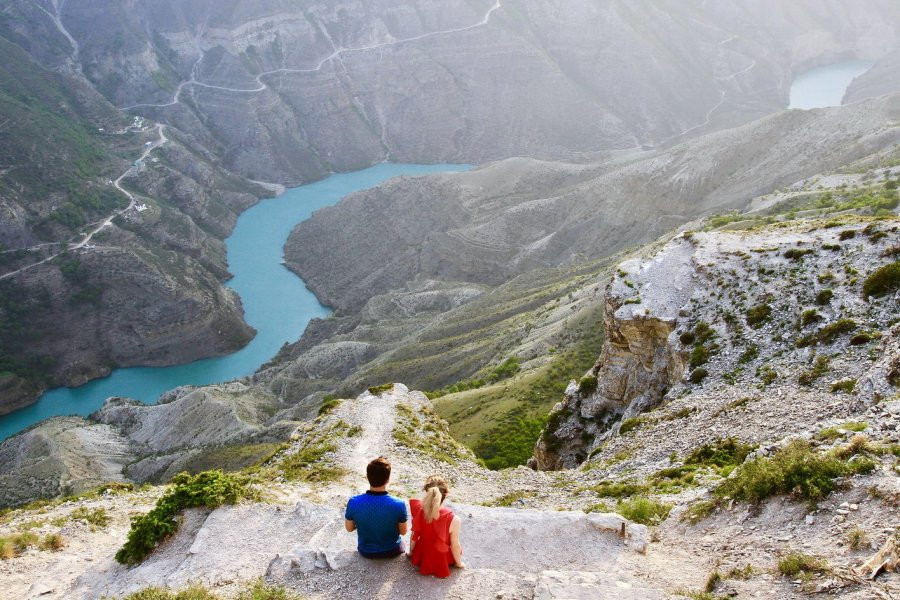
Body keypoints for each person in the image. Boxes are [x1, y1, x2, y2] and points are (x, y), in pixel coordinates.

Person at [345, 456, 409, 558]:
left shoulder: (354, 502)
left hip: (366, 551)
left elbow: (349, 528)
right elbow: (403, 532)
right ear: (388, 480)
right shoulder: (399, 504)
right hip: (392, 550)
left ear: (367, 477)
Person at [408, 475, 465, 577]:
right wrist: (459, 563)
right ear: (446, 494)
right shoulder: (454, 519)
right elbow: (455, 546)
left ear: (427, 492)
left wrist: (411, 552)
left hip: (423, 555)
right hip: (442, 557)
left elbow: (414, 535)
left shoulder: (420, 511)